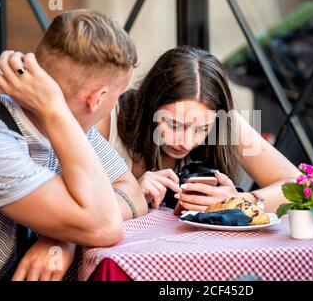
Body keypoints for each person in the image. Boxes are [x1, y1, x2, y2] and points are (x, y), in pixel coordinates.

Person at [0, 9, 149, 281]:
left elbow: (129, 188)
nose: (115, 106)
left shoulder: (66, 122)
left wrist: (62, 236)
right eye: (117, 97)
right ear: (98, 98)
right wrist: (55, 110)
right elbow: (106, 225)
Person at [96, 46, 301, 214]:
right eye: (174, 124)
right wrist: (128, 196)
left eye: (202, 129)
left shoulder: (223, 122)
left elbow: (302, 186)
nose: (186, 142)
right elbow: (73, 205)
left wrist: (241, 200)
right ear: (151, 106)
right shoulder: (108, 119)